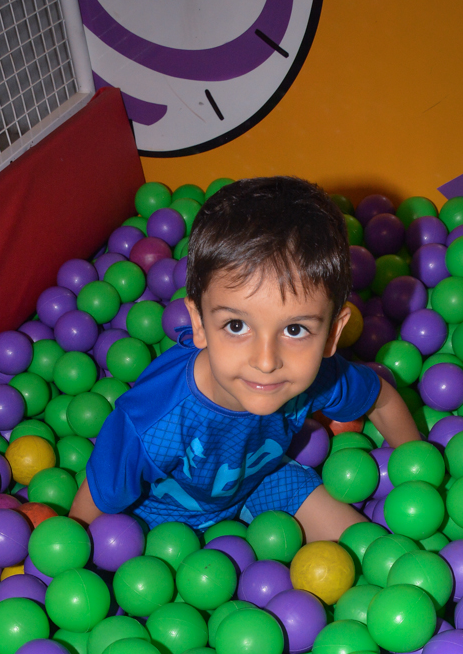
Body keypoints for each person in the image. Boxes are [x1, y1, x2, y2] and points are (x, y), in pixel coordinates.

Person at [70, 176, 419, 540]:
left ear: (332, 334)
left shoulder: (317, 377)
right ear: (198, 323)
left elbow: (381, 398)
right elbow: (88, 511)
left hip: (259, 481)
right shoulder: (153, 421)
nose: (266, 361)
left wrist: (419, 467)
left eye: (295, 330)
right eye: (236, 326)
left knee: (369, 549)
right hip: (155, 523)